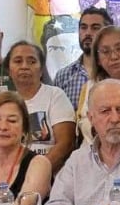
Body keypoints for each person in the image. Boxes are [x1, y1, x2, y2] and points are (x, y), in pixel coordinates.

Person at [6, 40, 75, 175]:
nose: (24, 66)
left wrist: (37, 174)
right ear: (9, 70)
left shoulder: (55, 95)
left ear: (42, 69)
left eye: (32, 61)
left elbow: (65, 144)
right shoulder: (5, 102)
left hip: (50, 175)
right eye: (18, 61)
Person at [53, 7, 112, 107]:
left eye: (95, 28)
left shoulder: (115, 72)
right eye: (83, 27)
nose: (88, 33)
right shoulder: (63, 76)